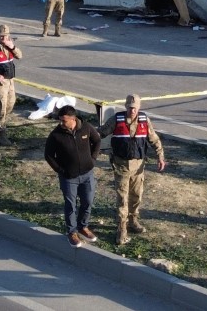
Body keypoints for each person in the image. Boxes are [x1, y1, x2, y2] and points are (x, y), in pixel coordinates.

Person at [99, 94, 167, 245]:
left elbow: (153, 139)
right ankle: (121, 228)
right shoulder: (116, 120)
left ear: (139, 108)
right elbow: (100, 133)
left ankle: (133, 220)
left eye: (135, 108)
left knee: (137, 196)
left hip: (138, 166)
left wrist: (160, 156)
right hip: (121, 165)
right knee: (123, 198)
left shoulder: (144, 120)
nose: (132, 111)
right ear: (126, 107)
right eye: (130, 108)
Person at [44, 105, 102, 247]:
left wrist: (92, 159)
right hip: (69, 178)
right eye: (60, 120)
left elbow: (97, 141)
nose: (61, 123)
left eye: (64, 121)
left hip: (87, 174)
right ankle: (71, 232)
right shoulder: (56, 135)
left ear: (73, 119)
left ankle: (83, 227)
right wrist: (60, 170)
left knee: (87, 201)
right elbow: (48, 155)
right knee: (71, 205)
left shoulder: (86, 128)